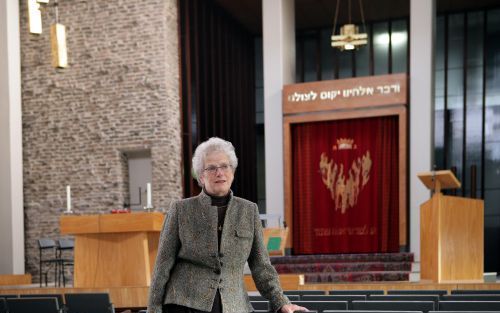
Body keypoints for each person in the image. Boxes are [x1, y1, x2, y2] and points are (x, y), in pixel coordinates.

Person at [147, 137, 308, 313]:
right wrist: (153, 309)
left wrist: (281, 301)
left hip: (235, 306)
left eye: (225, 166)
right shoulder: (180, 210)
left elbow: (261, 265)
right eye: (212, 168)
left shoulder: (249, 210)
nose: (219, 172)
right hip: (185, 304)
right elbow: (162, 264)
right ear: (201, 175)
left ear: (232, 172)